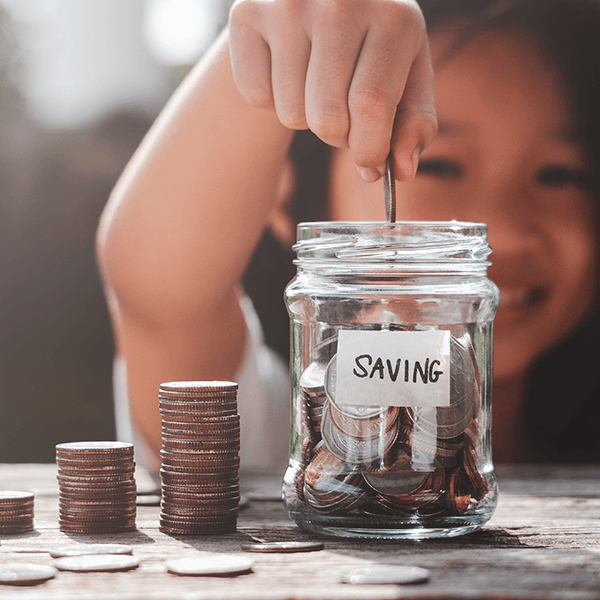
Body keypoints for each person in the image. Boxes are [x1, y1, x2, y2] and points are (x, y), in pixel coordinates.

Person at [96, 0, 600, 475]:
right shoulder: (279, 426)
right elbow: (162, 291)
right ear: (289, 199)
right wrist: (283, 34)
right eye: (439, 164)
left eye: (560, 174)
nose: (502, 231)